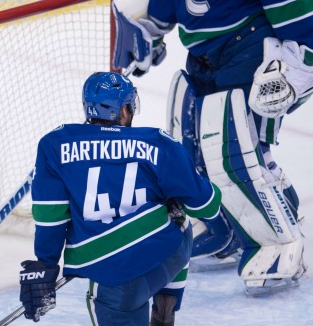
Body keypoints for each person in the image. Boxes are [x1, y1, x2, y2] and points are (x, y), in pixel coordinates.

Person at [111, 0, 313, 295]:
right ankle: (224, 226)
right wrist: (154, 23)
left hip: (247, 48)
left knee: (229, 150)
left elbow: (301, 5)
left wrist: (298, 63)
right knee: (188, 148)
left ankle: (280, 241)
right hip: (203, 54)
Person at [18, 72, 222, 325]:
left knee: (116, 297)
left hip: (110, 272)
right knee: (176, 215)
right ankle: (166, 304)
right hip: (167, 255)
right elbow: (206, 206)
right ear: (124, 110)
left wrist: (45, 263)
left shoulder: (55, 144)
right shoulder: (158, 142)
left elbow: (51, 215)